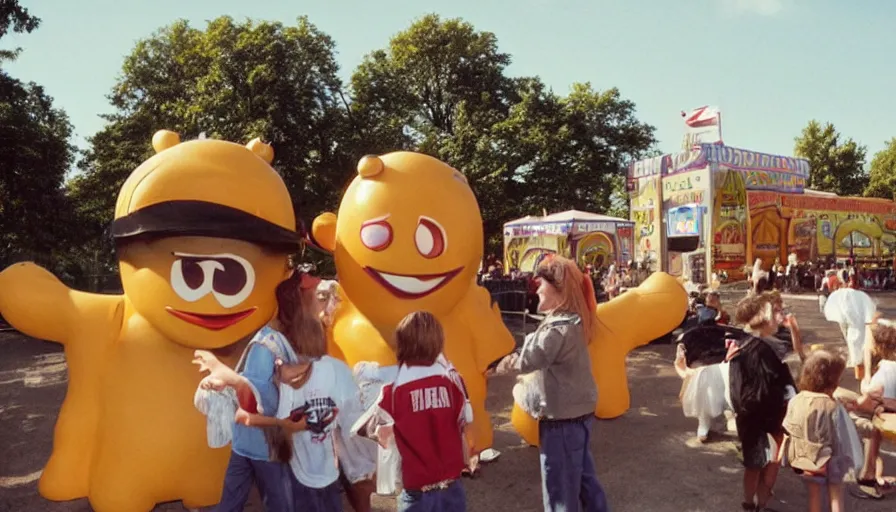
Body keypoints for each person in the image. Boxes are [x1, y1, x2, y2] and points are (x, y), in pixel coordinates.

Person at [192, 269, 321, 512]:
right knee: (280, 504)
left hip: (255, 442)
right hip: (265, 444)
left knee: (233, 502)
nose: (323, 305)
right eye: (319, 297)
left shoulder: (290, 338)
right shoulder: (267, 345)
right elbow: (257, 396)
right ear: (301, 303)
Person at [497, 255, 609, 512]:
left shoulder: (558, 329)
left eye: (541, 284)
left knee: (559, 487)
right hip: (578, 413)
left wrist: (503, 361)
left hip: (561, 419)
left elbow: (532, 358)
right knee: (582, 478)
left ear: (558, 290)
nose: (536, 289)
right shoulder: (574, 320)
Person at [354, 311, 470, 512]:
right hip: (452, 486)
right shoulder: (454, 382)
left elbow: (371, 429)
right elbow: (464, 420)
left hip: (417, 491)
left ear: (402, 344)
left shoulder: (393, 391)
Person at [728, 294, 798, 511]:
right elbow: (758, 390)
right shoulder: (757, 349)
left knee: (761, 464)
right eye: (777, 311)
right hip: (762, 416)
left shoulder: (753, 344)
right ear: (762, 317)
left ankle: (756, 503)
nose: (782, 316)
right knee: (760, 464)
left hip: (755, 416)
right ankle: (753, 504)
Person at [781, 350, 851, 512]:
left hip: (807, 457)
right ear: (832, 380)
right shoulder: (832, 405)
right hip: (832, 458)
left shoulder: (796, 400)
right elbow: (841, 434)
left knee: (814, 496)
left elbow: (788, 426)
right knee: (836, 494)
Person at [838, 315, 896, 499]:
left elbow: (869, 394)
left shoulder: (885, 370)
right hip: (888, 412)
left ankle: (867, 477)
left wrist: (866, 379)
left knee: (868, 428)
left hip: (887, 417)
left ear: (879, 348)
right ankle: (869, 474)